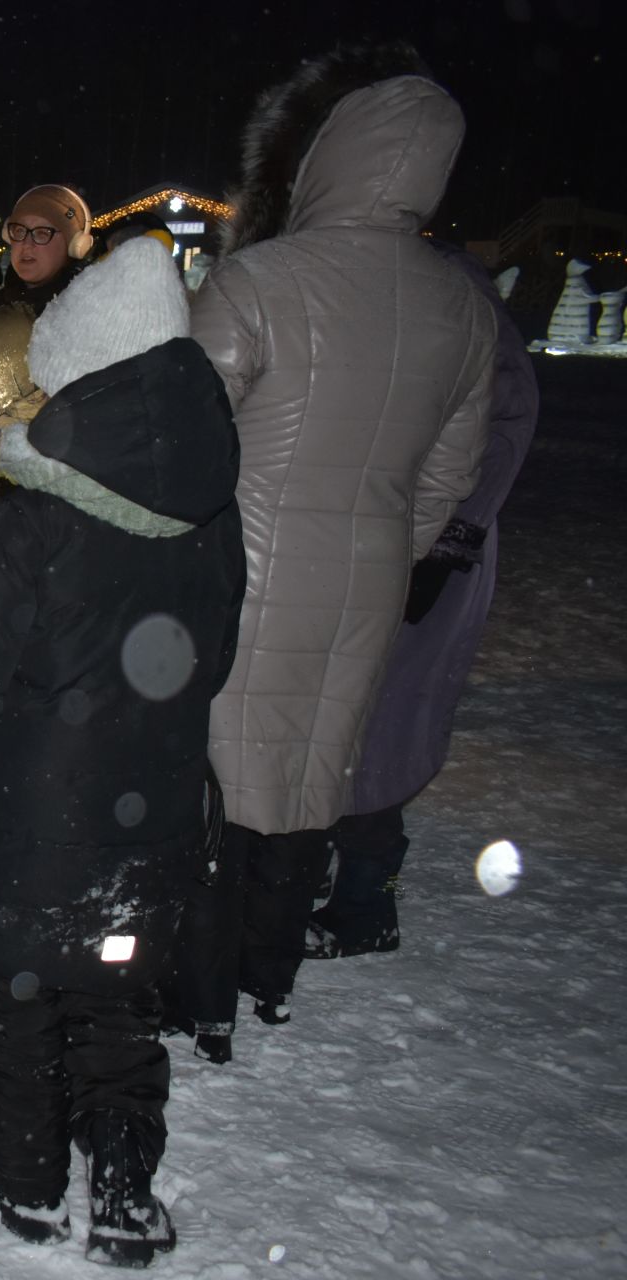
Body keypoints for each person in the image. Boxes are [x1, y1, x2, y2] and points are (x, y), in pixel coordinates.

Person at [0, 238, 245, 1267]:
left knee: (20, 1003)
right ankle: (121, 1188)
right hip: (148, 819)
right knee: (118, 1009)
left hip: (20, 830)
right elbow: (217, 657)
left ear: (75, 377)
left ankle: (22, 1180)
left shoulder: (22, 528)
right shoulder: (213, 517)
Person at [173, 44, 496, 1053]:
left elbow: (187, 438)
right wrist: (381, 545)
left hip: (242, 568)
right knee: (311, 769)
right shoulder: (462, 309)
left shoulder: (261, 281)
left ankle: (202, 988)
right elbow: (450, 474)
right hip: (362, 576)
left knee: (218, 773)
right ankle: (271, 972)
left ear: (328, 155)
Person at [310, 242, 538, 958]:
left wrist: (449, 539)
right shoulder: (351, 283)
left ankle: (367, 898)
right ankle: (315, 868)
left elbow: (504, 420)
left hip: (425, 546)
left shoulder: (452, 297)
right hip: (354, 536)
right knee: (327, 715)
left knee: (380, 724)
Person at [0, 183, 94, 461]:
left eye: (41, 233)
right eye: (19, 231)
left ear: (75, 244)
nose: (26, 244)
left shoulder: (91, 309)